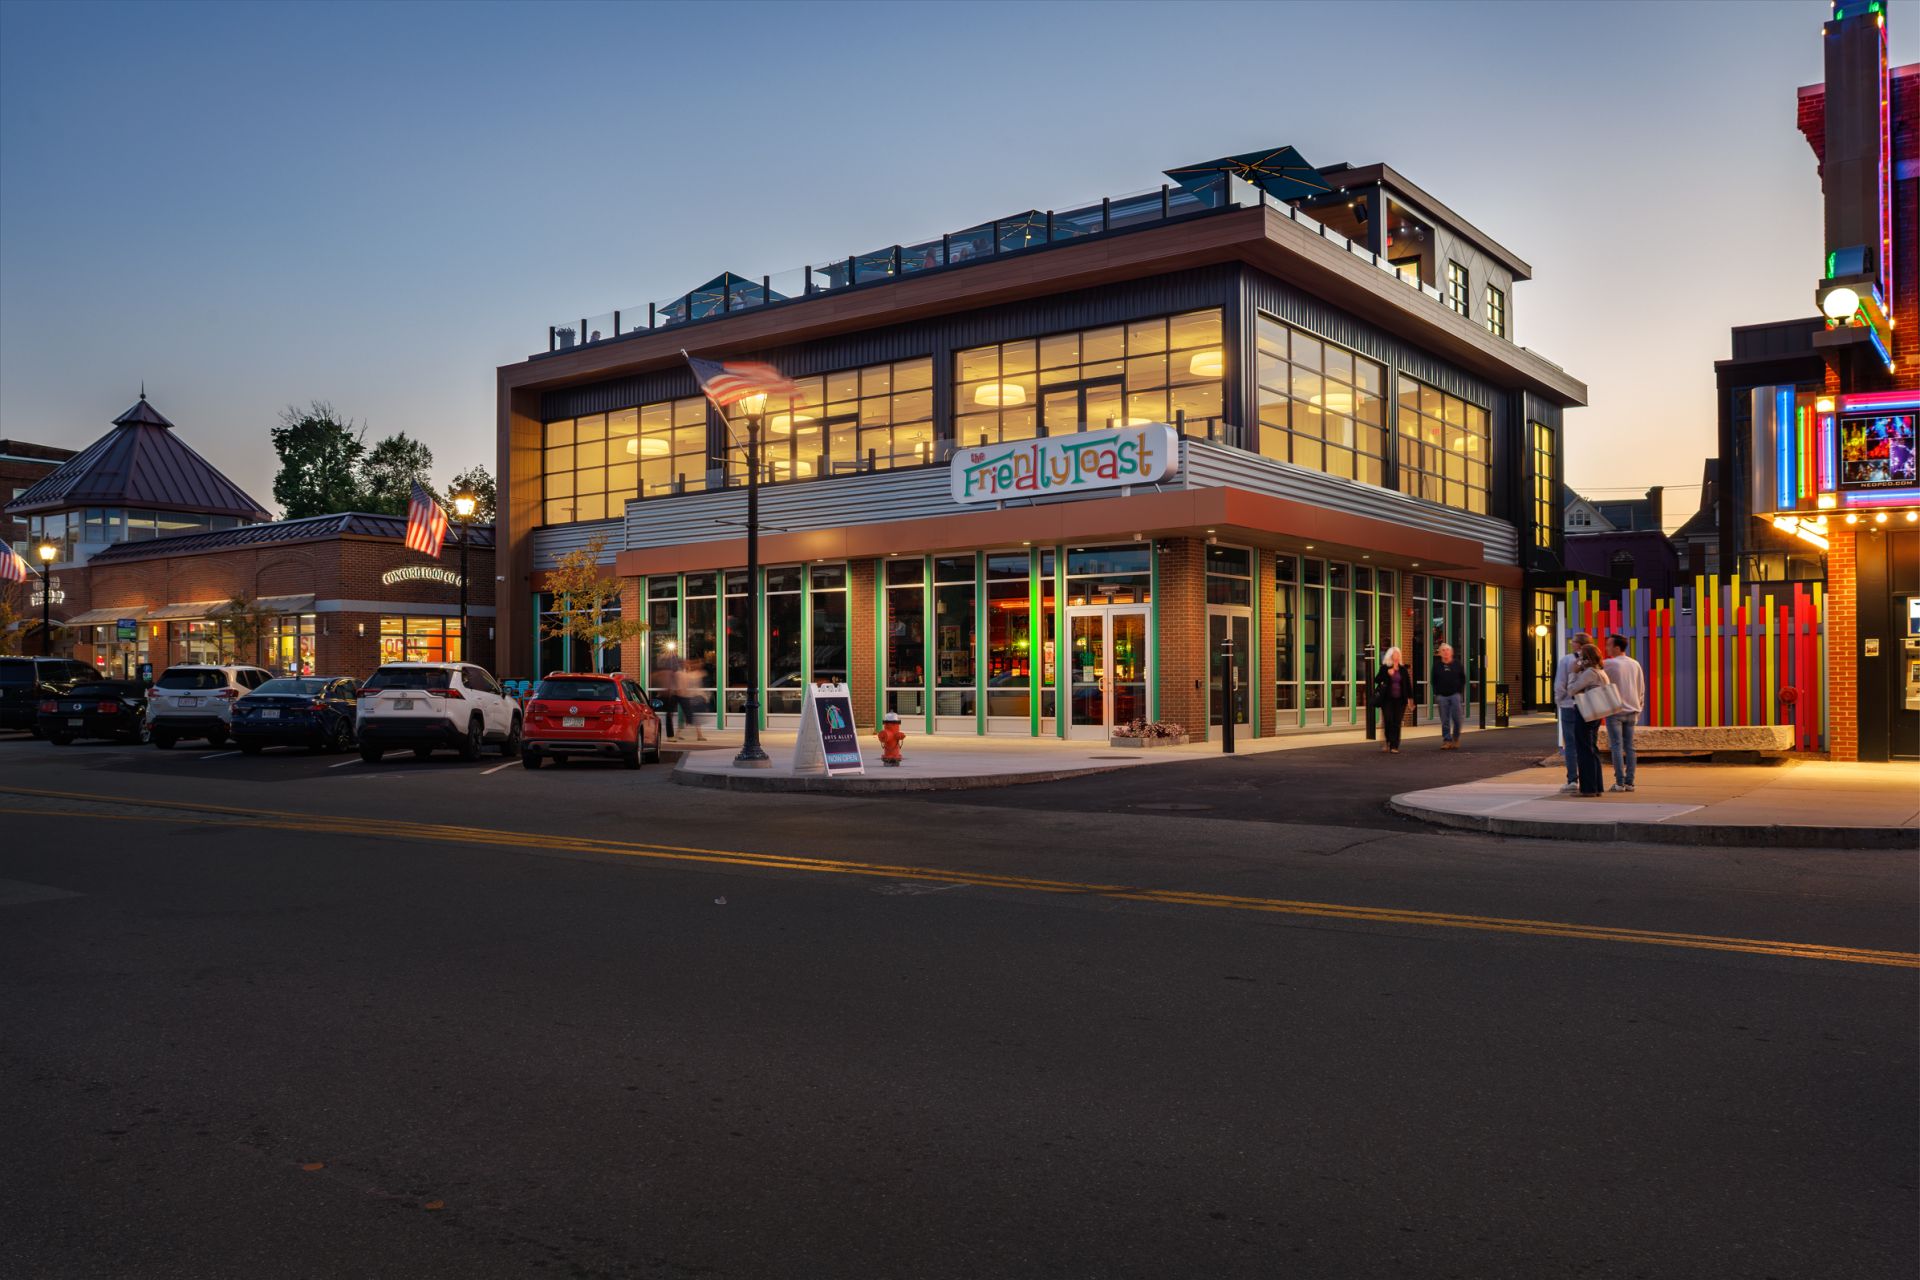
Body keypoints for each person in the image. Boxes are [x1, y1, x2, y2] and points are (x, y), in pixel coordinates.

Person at [1564, 643, 1612, 797]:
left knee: (1584, 749)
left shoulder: (1590, 673)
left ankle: (1588, 789)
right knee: (1591, 749)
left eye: (1581, 657)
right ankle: (1596, 787)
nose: (1579, 660)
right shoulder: (1600, 671)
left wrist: (1573, 673)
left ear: (1586, 658)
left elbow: (1571, 690)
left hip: (1586, 713)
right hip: (1595, 713)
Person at [1603, 634, 1647, 793]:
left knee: (1616, 746)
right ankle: (1630, 782)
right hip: (1633, 710)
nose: (1606, 648)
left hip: (1615, 710)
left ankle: (1619, 783)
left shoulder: (1609, 664)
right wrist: (1639, 707)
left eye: (1608, 645)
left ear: (1616, 647)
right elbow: (1641, 688)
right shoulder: (1635, 664)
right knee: (1630, 747)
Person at [1551, 633, 1591, 794]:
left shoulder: (1567, 660)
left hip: (1569, 705)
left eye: (1573, 641)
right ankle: (1589, 778)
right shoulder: (1593, 660)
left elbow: (1560, 683)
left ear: (1578, 644)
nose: (1571, 643)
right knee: (1587, 744)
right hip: (1588, 706)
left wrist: (1558, 700)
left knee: (1571, 744)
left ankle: (1573, 779)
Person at [1372, 646, 1413, 754]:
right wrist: (1387, 674)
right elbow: (1377, 679)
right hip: (1387, 700)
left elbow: (1408, 685)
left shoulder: (1403, 669)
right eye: (1395, 654)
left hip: (1400, 700)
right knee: (1388, 721)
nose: (1397, 656)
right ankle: (1388, 740)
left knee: (1397, 722)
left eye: (1398, 654)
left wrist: (1411, 699)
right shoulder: (1385, 668)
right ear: (1390, 656)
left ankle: (1395, 745)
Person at [1430, 642, 1467, 750]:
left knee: (1457, 719)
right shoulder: (1437, 666)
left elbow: (1462, 679)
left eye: (1447, 650)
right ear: (1440, 653)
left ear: (1451, 652)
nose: (1445, 652)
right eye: (1443, 650)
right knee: (1445, 720)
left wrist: (1459, 691)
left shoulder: (1457, 664)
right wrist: (1437, 693)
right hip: (1442, 696)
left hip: (1455, 695)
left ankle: (1455, 738)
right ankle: (1447, 740)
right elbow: (1434, 680)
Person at [676, 659, 707, 742]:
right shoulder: (694, 674)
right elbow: (695, 686)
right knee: (693, 716)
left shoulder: (691, 674)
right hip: (692, 697)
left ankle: (678, 734)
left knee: (691, 716)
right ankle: (698, 735)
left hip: (691, 697)